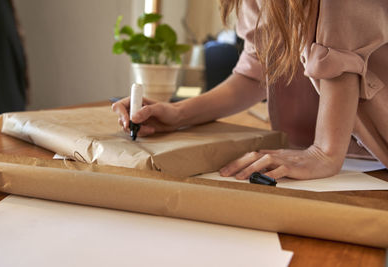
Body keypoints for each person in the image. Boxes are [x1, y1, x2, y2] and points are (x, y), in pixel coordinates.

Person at [112, 0, 388, 180]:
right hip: (344, 161)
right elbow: (257, 70)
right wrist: (179, 113)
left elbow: (339, 62)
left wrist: (324, 152)